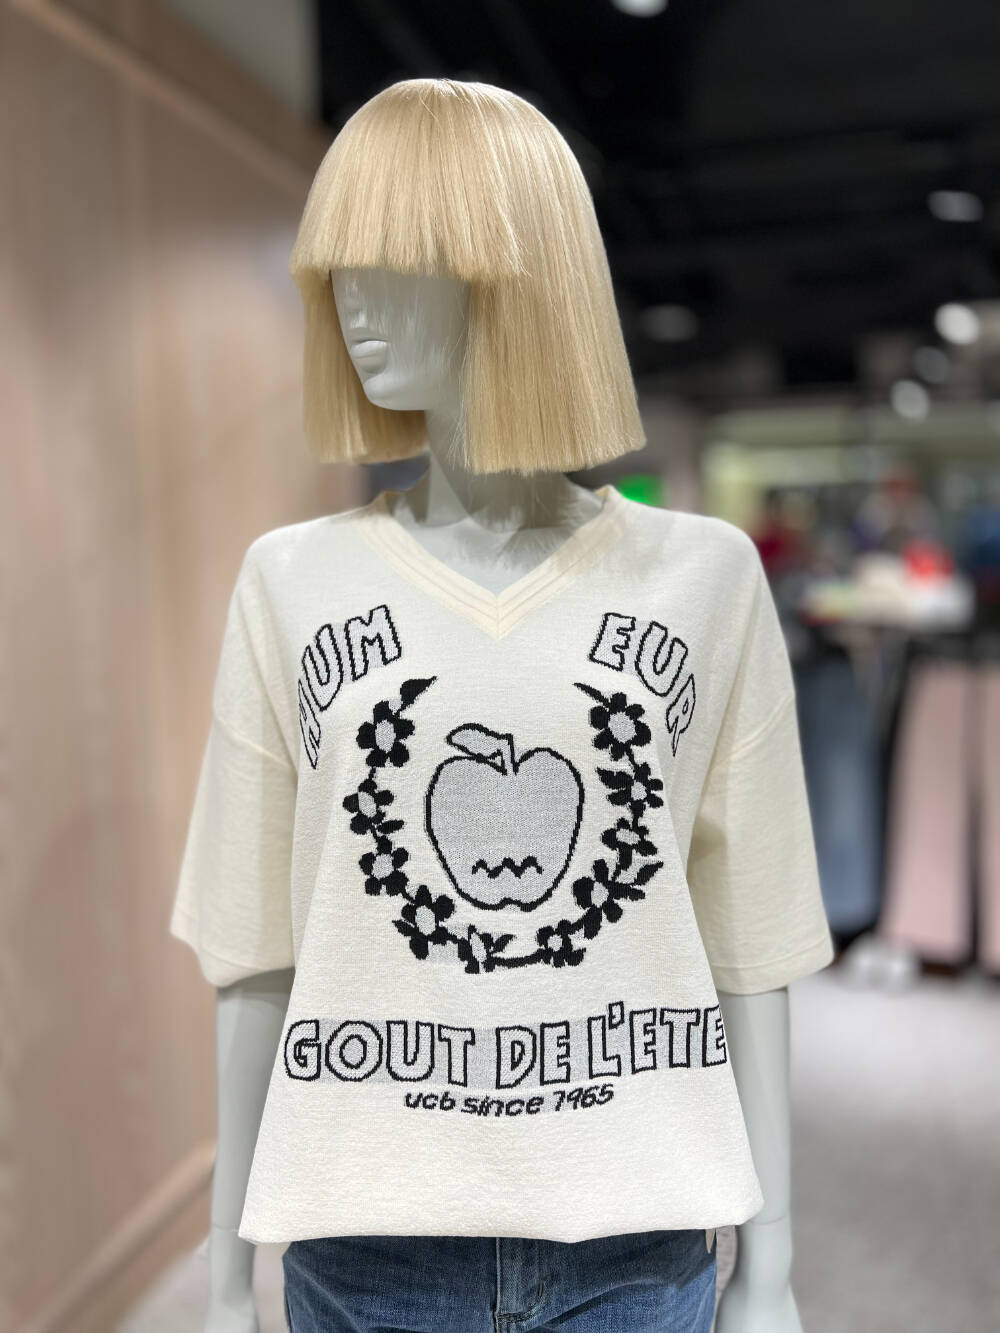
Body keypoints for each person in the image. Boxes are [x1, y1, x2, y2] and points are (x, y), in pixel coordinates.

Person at [169, 78, 835, 1333]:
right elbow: (254, 953)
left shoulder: (702, 579)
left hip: (638, 1248)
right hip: (366, 1251)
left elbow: (753, 943)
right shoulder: (291, 584)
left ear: (515, 276)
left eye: (394, 265)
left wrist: (774, 1263)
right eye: (338, 270)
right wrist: (218, 1271)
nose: (352, 302)